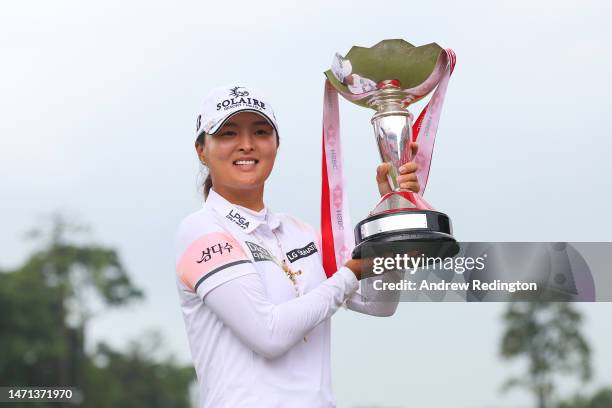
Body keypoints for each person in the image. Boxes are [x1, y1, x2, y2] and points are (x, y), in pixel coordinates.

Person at [174, 84, 420, 408]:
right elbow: (269, 334)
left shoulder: (299, 232)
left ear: (276, 145)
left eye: (260, 132)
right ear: (202, 150)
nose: (246, 145)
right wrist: (351, 272)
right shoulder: (201, 230)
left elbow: (379, 304)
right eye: (228, 133)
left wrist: (391, 219)